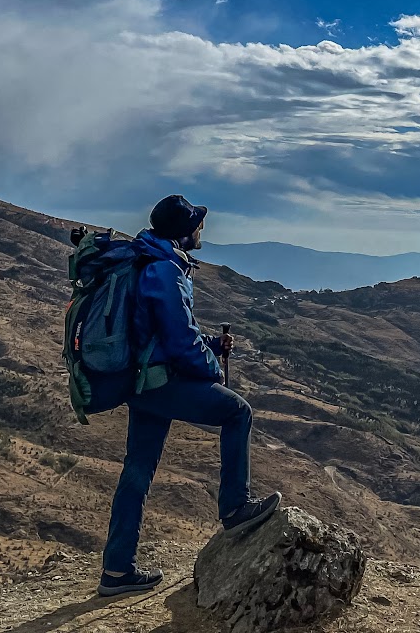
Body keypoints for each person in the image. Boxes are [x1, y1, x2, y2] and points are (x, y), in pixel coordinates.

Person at [99, 194, 281, 596]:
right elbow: (180, 341)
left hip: (140, 382)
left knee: (138, 470)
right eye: (198, 224)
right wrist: (213, 368)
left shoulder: (148, 259)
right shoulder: (165, 270)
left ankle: (116, 570)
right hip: (160, 381)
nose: (202, 230)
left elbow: (163, 332)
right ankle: (235, 507)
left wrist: (213, 343)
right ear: (186, 231)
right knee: (238, 413)